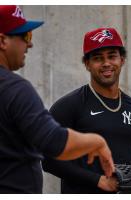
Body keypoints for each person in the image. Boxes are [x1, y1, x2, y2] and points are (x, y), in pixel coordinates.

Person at [0, 6, 115, 194]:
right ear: (3, 41)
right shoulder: (15, 90)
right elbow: (54, 142)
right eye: (25, 36)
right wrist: (97, 142)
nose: (30, 45)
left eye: (112, 55)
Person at [42, 27, 131, 194]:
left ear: (122, 59)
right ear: (87, 64)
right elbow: (49, 160)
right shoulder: (68, 107)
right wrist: (98, 181)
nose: (106, 63)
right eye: (98, 58)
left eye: (112, 56)